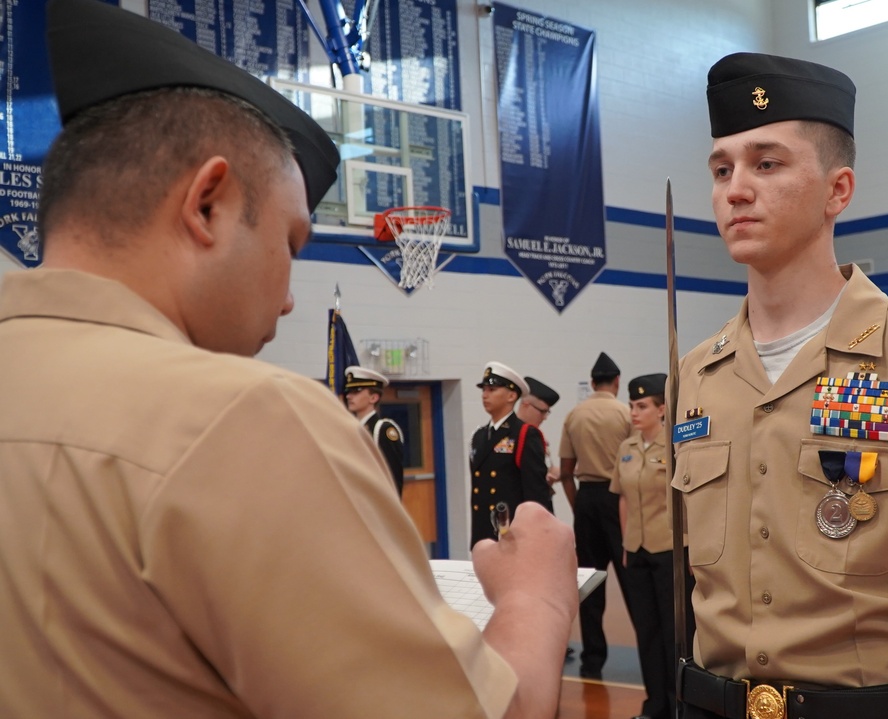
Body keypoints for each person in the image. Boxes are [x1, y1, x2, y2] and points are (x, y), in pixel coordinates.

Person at [0, 1, 578, 717]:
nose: (288, 301)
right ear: (207, 204)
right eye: (291, 245)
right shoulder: (244, 418)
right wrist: (538, 598)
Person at [672, 51, 888, 719]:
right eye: (721, 168)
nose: (735, 188)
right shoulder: (697, 372)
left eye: (767, 163)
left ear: (837, 190)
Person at [611, 374, 694, 719]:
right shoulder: (627, 449)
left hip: (671, 551)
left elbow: (689, 498)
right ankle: (654, 705)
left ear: (662, 409)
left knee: (677, 633)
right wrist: (626, 544)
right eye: (631, 406)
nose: (634, 412)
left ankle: (681, 704)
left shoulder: (675, 447)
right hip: (639, 551)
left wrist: (692, 548)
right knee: (646, 631)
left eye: (642, 406)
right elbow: (623, 499)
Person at [558, 351, 633, 679]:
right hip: (620, 499)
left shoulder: (574, 415)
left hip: (586, 499)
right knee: (632, 581)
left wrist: (578, 506)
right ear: (617, 382)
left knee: (589, 584)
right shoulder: (625, 414)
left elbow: (564, 471)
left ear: (591, 383)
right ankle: (649, 651)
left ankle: (592, 660)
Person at [469, 362, 552, 547]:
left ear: (512, 395)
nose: (485, 395)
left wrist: (537, 537)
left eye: (492, 389)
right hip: (483, 533)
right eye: (484, 389)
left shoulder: (523, 434)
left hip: (513, 533)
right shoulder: (479, 436)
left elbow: (536, 493)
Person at [344, 366, 405, 496]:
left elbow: (393, 477)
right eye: (348, 391)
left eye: (356, 391)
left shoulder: (382, 430)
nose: (349, 396)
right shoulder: (352, 429)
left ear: (373, 398)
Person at [516, 376, 561, 487]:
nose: (545, 417)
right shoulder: (515, 434)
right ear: (526, 405)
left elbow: (547, 470)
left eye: (547, 412)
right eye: (542, 411)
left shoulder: (534, 434)